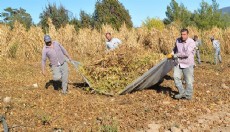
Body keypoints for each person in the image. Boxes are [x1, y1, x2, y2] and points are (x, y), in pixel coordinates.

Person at [167, 29, 196, 100]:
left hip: (188, 63)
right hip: (178, 63)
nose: (182, 36)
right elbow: (175, 49)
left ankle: (188, 96)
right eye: (181, 34)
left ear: (187, 34)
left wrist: (176, 55)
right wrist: (172, 53)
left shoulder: (191, 42)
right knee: (176, 77)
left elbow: (186, 54)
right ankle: (182, 92)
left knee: (188, 81)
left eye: (184, 34)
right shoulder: (178, 40)